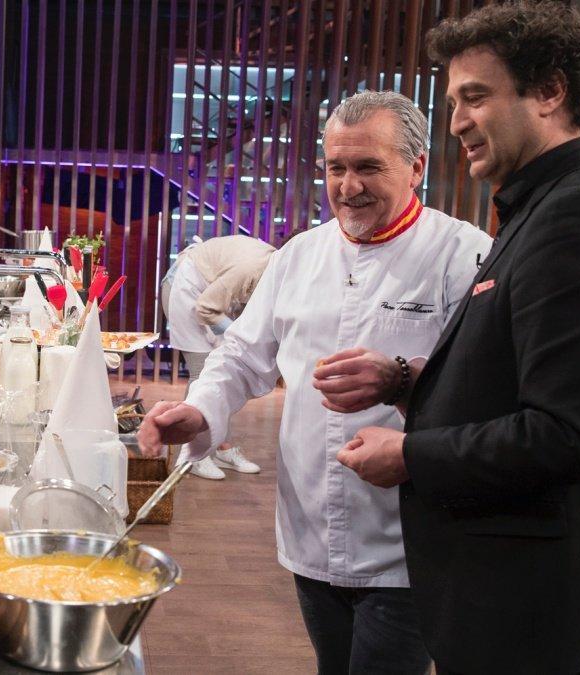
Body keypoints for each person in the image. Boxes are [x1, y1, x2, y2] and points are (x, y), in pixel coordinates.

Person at [331, 4, 580, 673]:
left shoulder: (579, 217)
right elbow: (526, 369)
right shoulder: (549, 203)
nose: (456, 119)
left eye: (476, 97)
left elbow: (567, 433)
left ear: (550, 92)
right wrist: (407, 380)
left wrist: (410, 455)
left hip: (524, 608)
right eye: (455, 99)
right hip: (515, 597)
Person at [138, 90, 491, 675]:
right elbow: (241, 356)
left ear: (417, 167)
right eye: (336, 168)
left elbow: (481, 386)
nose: (348, 186)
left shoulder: (461, 253)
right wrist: (199, 411)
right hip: (308, 528)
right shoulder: (300, 255)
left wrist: (403, 383)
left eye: (369, 167)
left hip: (409, 539)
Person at [160, 234, 273, 479]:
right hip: (186, 289)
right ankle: (194, 456)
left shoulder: (274, 270)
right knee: (202, 374)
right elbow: (206, 307)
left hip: (206, 295)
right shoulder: (254, 267)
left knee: (218, 374)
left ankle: (222, 447)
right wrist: (235, 332)